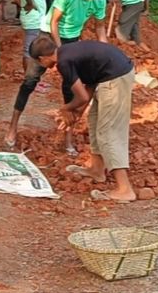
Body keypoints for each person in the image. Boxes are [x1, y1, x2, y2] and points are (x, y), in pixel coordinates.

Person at [3, 0, 109, 150]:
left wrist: (105, 50)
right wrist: (61, 51)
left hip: (72, 39)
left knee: (71, 87)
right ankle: (12, 127)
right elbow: (54, 22)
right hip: (50, 37)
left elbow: (100, 27)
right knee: (30, 80)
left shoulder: (99, 0)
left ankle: (68, 137)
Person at [29, 36, 136, 202]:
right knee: (94, 122)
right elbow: (90, 84)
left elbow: (82, 96)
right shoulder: (67, 52)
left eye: (39, 63)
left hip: (115, 79)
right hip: (108, 77)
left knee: (108, 132)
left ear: (42, 58)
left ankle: (124, 189)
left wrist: (65, 108)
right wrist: (78, 113)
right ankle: (97, 170)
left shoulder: (64, 62)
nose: (42, 67)